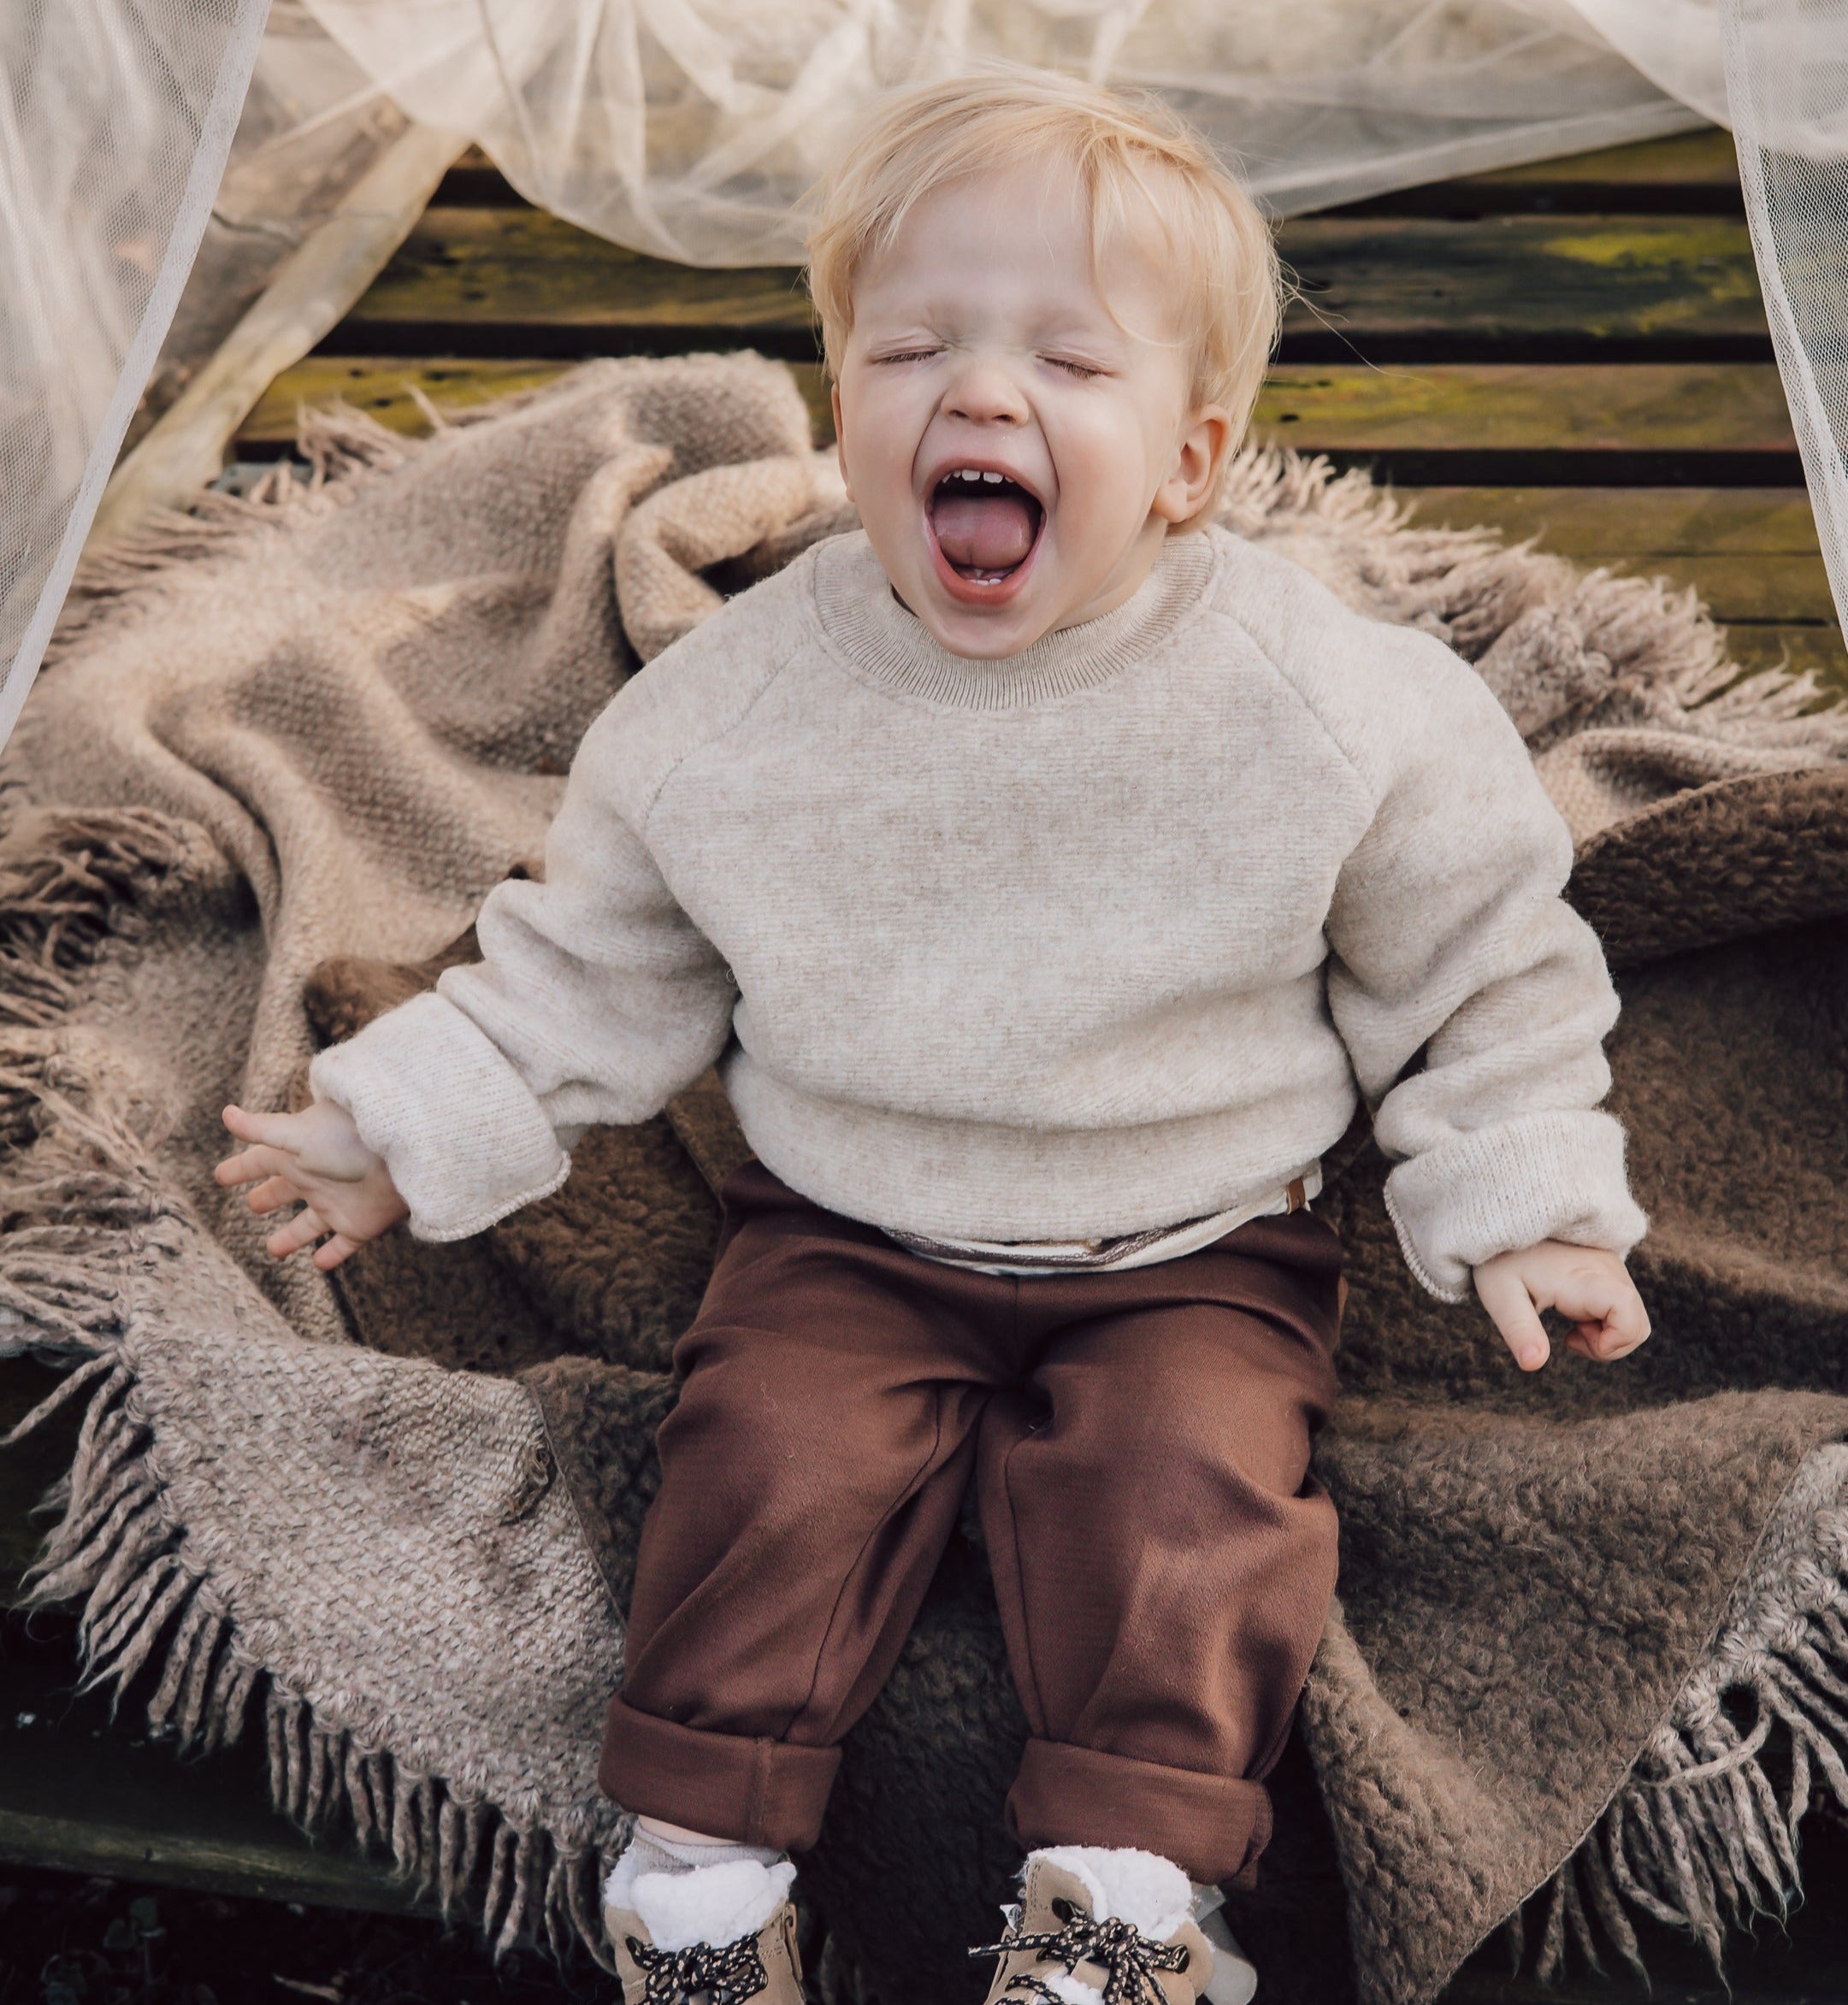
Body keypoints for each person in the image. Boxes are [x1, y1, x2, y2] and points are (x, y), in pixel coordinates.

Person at [214, 68, 1651, 2005]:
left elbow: (1474, 954)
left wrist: (1526, 1195)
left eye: (1068, 358)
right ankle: (699, 1893)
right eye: (911, 351)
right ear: (844, 416)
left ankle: (1120, 1907)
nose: (979, 394)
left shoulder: (1319, 702)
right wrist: (405, 1123)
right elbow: (593, 960)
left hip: (1194, 1242)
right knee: (756, 1474)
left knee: (1188, 1512)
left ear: (1189, 460)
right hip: (849, 1232)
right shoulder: (738, 711)